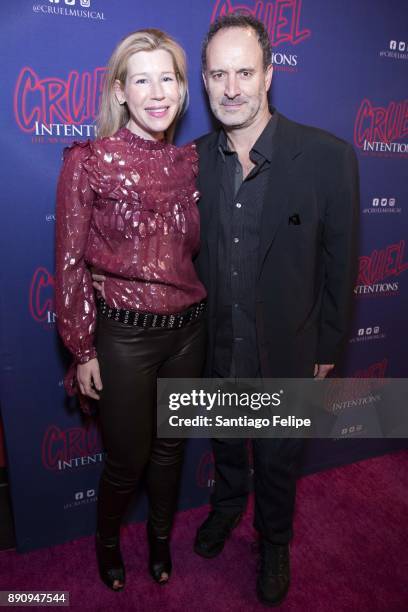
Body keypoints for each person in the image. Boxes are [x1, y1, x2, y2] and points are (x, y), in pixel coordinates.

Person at [191, 14, 359, 607]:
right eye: (218, 73)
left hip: (287, 348)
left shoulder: (327, 158)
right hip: (217, 347)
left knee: (280, 457)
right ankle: (228, 508)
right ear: (206, 82)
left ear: (268, 76)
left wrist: (326, 350)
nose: (231, 87)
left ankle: (276, 538)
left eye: (244, 71)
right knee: (228, 444)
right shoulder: (189, 164)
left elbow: (342, 265)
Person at [55, 29, 207, 591]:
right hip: (125, 339)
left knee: (170, 452)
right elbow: (70, 262)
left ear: (182, 88)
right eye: (141, 79)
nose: (156, 91)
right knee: (128, 461)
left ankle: (160, 542)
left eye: (167, 77)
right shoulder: (89, 161)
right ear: (120, 91)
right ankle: (106, 542)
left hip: (191, 332)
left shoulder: (192, 164)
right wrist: (83, 346)